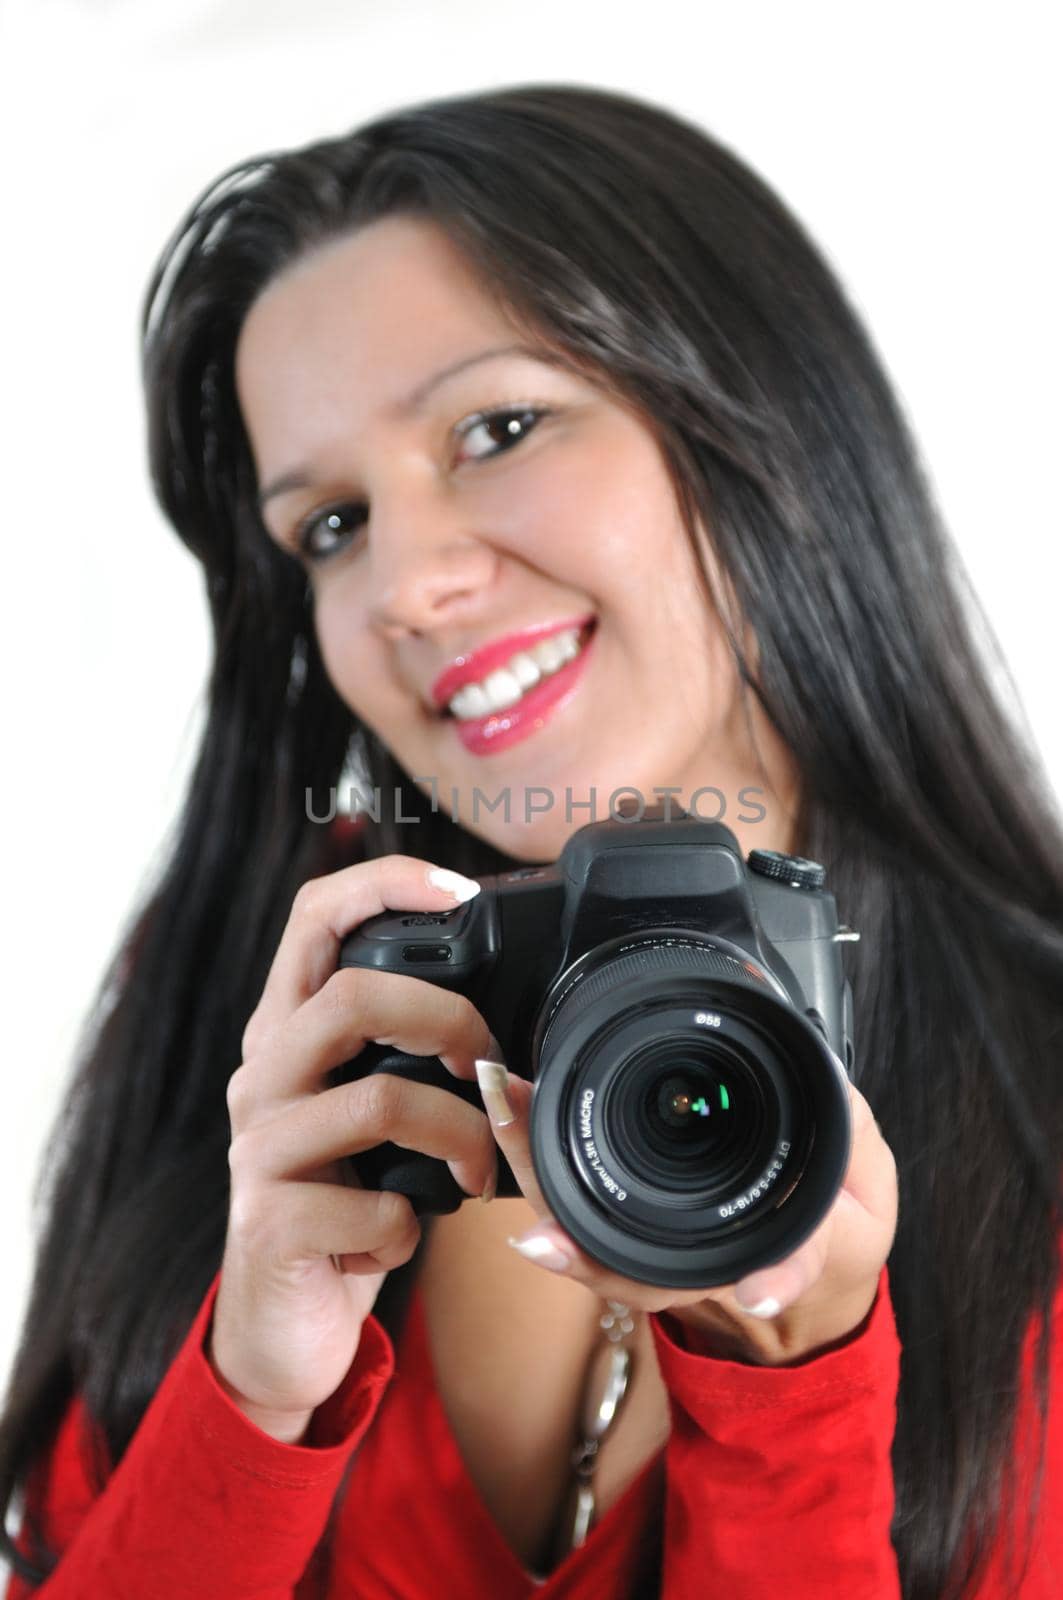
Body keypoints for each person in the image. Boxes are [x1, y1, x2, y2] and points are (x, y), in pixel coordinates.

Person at [1, 82, 1061, 1600]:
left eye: (498, 427)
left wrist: (792, 1392)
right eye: (331, 527)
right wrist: (250, 1394)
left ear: (756, 420)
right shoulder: (280, 1028)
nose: (406, 589)